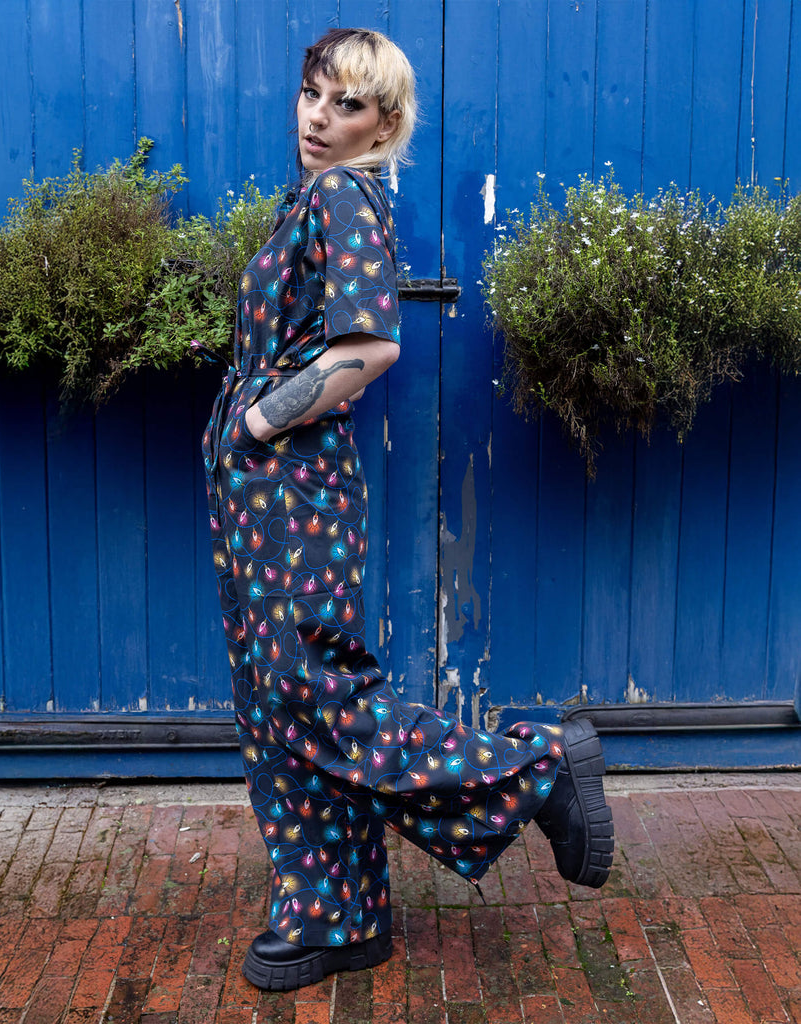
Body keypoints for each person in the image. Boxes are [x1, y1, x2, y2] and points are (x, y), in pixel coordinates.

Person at [201, 27, 614, 994]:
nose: (317, 116)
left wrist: (259, 419)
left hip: (288, 483)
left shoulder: (344, 194)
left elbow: (370, 346)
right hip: (263, 484)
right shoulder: (312, 195)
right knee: (277, 707)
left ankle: (537, 773)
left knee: (313, 694)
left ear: (382, 122)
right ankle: (333, 912)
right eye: (311, 93)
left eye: (345, 104)